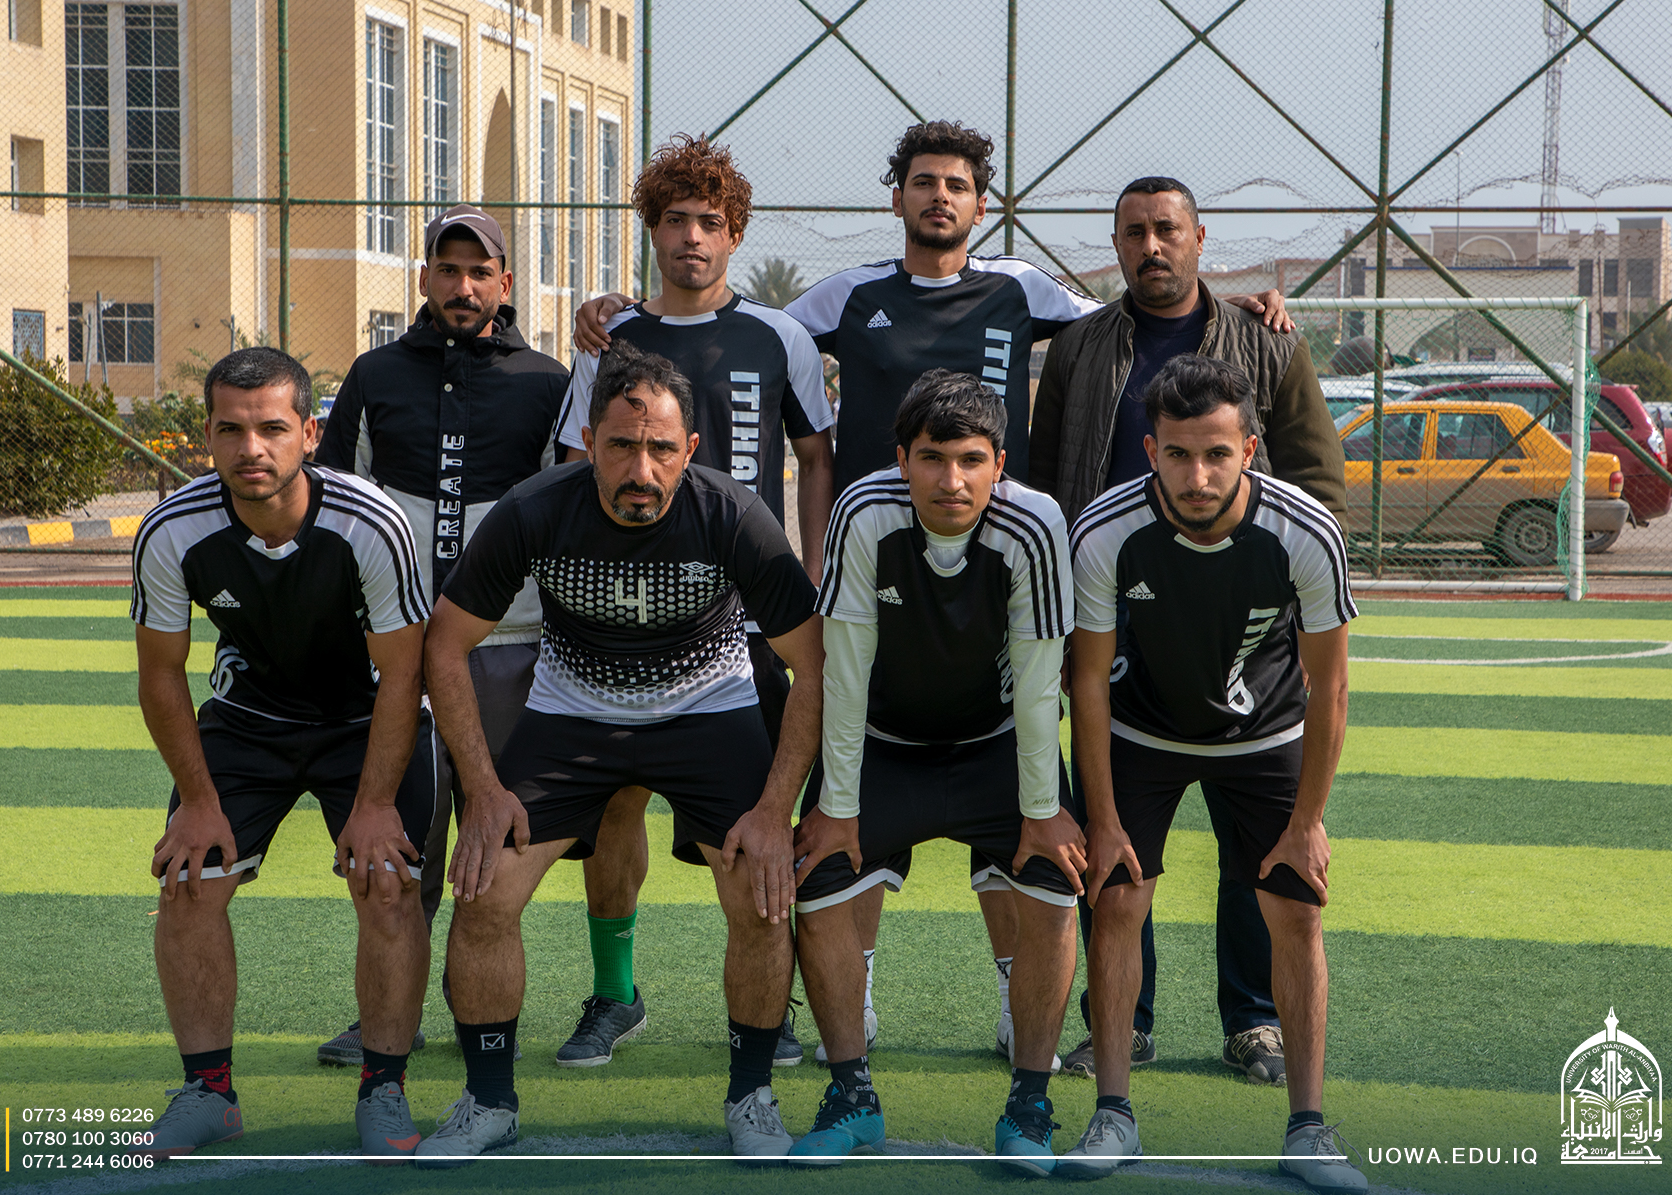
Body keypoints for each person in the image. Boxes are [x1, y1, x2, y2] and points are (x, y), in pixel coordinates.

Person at [576, 127, 1293, 1066]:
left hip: (994, 576)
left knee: (1017, 790)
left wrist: (1232, 304)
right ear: (898, 197)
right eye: (923, 182)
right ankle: (854, 992)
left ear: (980, 203)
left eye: (956, 184)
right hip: (878, 574)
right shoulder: (846, 296)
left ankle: (1018, 1000)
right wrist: (616, 309)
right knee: (851, 791)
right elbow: (736, 327)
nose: (939, 197)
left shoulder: (1024, 289)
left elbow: (1145, 308)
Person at [414, 345, 824, 1165]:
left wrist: (775, 809)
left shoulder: (734, 514)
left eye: (661, 449)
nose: (642, 469)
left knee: (761, 897)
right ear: (589, 443)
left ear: (690, 449)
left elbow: (812, 665)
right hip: (573, 714)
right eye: (622, 446)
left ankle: (751, 1096)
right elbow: (446, 645)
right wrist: (485, 788)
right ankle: (488, 1102)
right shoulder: (534, 508)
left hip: (708, 712)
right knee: (485, 893)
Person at [1030, 176, 1346, 1086]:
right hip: (1116, 604)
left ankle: (1253, 1020)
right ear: (1117, 244)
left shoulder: (1266, 337)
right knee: (1117, 849)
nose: (1151, 246)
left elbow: (1317, 477)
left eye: (1167, 229)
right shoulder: (1081, 344)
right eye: (1133, 232)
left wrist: (1284, 598)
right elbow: (1048, 478)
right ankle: (1124, 1024)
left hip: (1241, 618)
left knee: (1260, 847)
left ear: (1200, 239)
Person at [549, 137, 834, 1069]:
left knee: (752, 823)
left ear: (735, 234)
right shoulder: (609, 341)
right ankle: (614, 994)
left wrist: (809, 575)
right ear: (652, 231)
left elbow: (816, 458)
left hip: (746, 621)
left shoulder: (780, 338)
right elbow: (572, 468)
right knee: (615, 808)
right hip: (626, 616)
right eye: (675, 220)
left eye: (711, 222)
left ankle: (767, 1008)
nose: (692, 238)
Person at [1061, 353, 1364, 1190]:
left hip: (1264, 734)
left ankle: (1308, 1130)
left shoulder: (1306, 532)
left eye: (1217, 454)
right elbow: (1088, 680)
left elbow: (1332, 686)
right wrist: (1102, 818)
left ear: (1250, 450)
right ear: (1151, 450)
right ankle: (1113, 1117)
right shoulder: (1105, 530)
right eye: (1179, 454)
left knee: (1296, 912)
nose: (1198, 476)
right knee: (1117, 900)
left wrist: (1308, 824)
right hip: (1142, 730)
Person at [128, 348, 435, 1160]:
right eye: (230, 430)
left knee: (389, 885)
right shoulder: (173, 529)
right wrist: (199, 803)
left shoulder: (371, 524)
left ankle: (383, 1089)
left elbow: (405, 672)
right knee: (190, 883)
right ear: (207, 435)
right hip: (250, 718)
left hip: (368, 717)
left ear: (310, 433)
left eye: (271, 428)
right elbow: (160, 674)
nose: (251, 448)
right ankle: (208, 1093)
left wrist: (375, 805)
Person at [786, 370, 1082, 1171]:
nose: (952, 480)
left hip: (994, 745)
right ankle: (852, 1098)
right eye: (932, 458)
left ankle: (1029, 1107)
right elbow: (845, 667)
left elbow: (1040, 678)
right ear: (902, 460)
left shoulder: (1035, 523)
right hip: (886, 743)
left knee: (1054, 890)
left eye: (971, 460)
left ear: (1000, 464)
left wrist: (1041, 810)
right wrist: (838, 805)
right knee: (817, 883)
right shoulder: (863, 510)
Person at [312, 204, 567, 1067]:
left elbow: (560, 515)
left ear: (505, 283)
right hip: (395, 655)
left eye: (479, 271)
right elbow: (336, 506)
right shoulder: (376, 374)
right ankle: (389, 1016)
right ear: (423, 277)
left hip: (507, 650)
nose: (463, 286)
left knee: (491, 845)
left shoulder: (546, 381)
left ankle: (477, 1011)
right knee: (400, 846)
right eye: (447, 269)